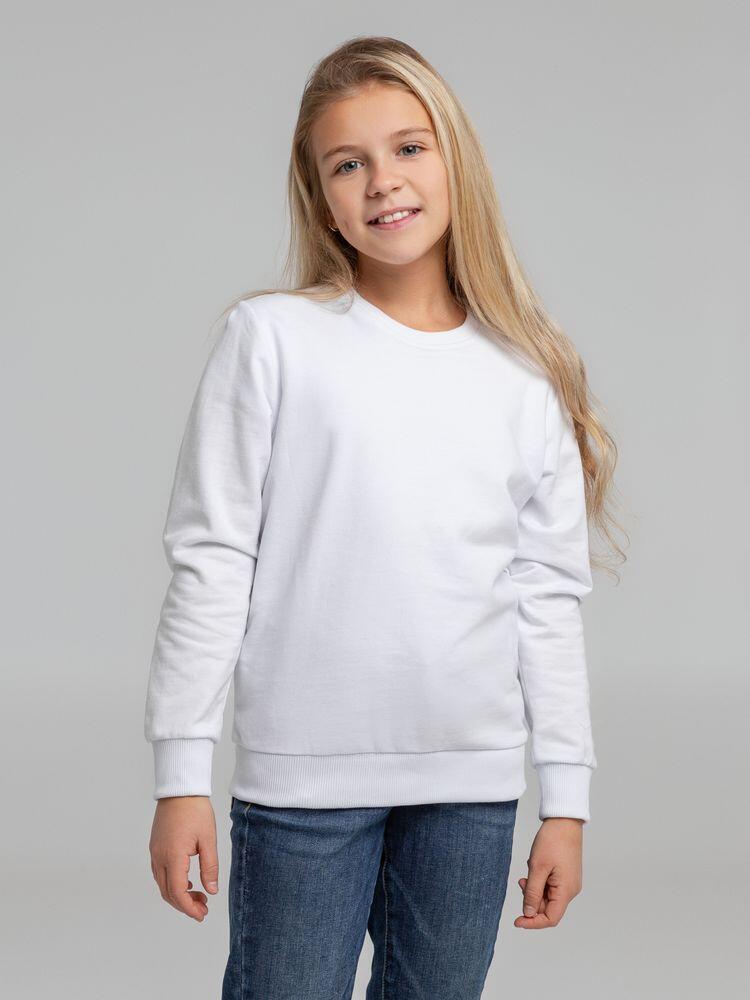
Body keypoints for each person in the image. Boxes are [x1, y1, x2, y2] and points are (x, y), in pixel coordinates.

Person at [144, 35, 624, 1000]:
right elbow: (213, 557)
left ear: (455, 159)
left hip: (469, 788)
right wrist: (180, 776)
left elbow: (546, 597)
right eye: (347, 163)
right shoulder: (273, 339)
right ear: (319, 194)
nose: (383, 182)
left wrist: (565, 802)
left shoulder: (526, 371)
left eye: (408, 148)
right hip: (302, 783)